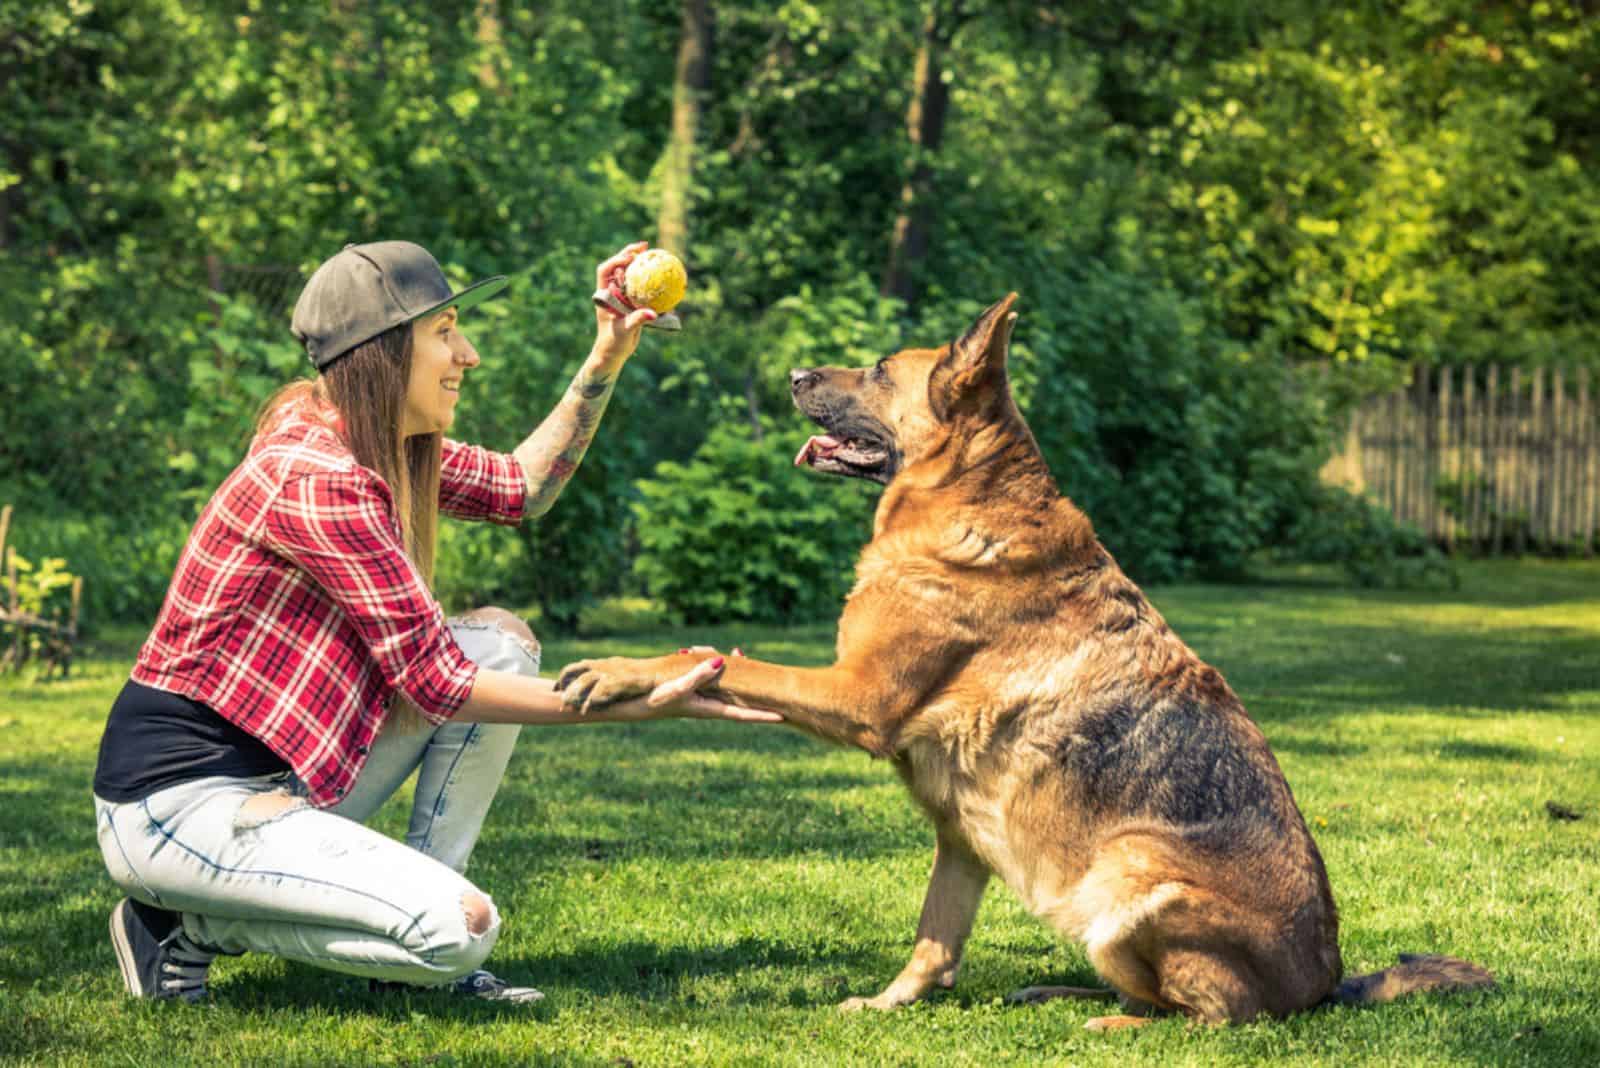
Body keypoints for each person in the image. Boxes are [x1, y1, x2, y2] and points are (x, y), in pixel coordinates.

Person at [91, 241, 777, 1005]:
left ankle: (391, 926)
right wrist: (641, 698)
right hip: (180, 804)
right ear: (381, 352)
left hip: (284, 776)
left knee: (501, 642)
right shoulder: (318, 479)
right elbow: (436, 683)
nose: (469, 355)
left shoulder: (378, 442)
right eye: (445, 331)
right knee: (460, 928)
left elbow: (522, 487)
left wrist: (607, 351)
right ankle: (180, 926)